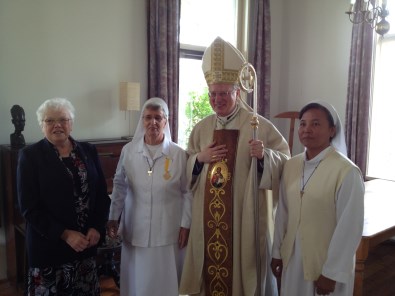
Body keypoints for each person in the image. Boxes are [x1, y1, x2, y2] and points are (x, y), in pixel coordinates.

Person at [179, 36, 290, 296]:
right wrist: (199, 160)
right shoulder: (202, 128)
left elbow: (285, 161)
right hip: (208, 220)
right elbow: (186, 169)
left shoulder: (258, 125)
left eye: (224, 93)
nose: (217, 99)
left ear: (237, 92)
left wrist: (264, 157)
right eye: (213, 94)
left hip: (242, 218)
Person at [17, 98, 110, 295]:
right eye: (49, 121)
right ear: (42, 125)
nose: (57, 125)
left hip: (84, 245)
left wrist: (97, 226)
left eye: (63, 119)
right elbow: (29, 208)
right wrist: (65, 234)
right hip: (50, 248)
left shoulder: (88, 151)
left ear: (72, 123)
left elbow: (101, 195)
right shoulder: (30, 156)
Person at [270, 102, 364, 296]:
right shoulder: (291, 165)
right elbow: (283, 213)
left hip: (325, 263)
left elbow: (349, 228)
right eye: (303, 124)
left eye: (315, 124)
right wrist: (277, 253)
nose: (307, 130)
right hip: (293, 258)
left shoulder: (346, 172)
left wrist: (332, 273)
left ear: (332, 130)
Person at [107, 97, 192, 296]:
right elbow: (119, 185)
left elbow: (188, 191)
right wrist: (113, 216)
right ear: (142, 121)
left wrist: (186, 224)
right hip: (136, 227)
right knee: (138, 282)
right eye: (148, 118)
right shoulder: (129, 151)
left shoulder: (178, 154)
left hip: (168, 228)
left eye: (158, 118)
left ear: (166, 121)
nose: (152, 122)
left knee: (166, 282)